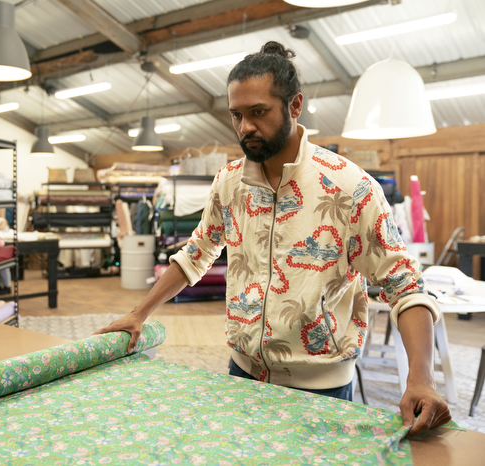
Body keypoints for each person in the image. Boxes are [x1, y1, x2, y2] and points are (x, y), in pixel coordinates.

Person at [95, 41, 451, 436]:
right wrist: (139, 313)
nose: (245, 127)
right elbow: (197, 252)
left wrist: (422, 379)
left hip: (321, 387)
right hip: (241, 373)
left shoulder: (350, 188)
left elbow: (405, 285)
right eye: (237, 115)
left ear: (295, 106)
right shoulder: (229, 182)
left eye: (258, 112)